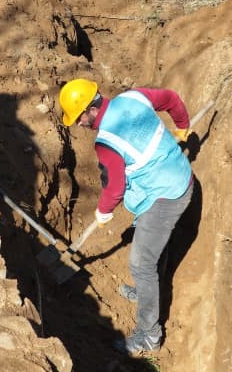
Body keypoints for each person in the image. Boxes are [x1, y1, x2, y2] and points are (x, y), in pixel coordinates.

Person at [58, 77, 196, 356]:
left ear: (91, 110)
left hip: (166, 195)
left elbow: (116, 186)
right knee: (152, 248)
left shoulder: (106, 142)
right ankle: (149, 291)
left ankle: (149, 335)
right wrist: (182, 126)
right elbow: (170, 98)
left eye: (80, 119)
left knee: (141, 263)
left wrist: (104, 210)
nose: (80, 125)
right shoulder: (134, 97)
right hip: (179, 177)